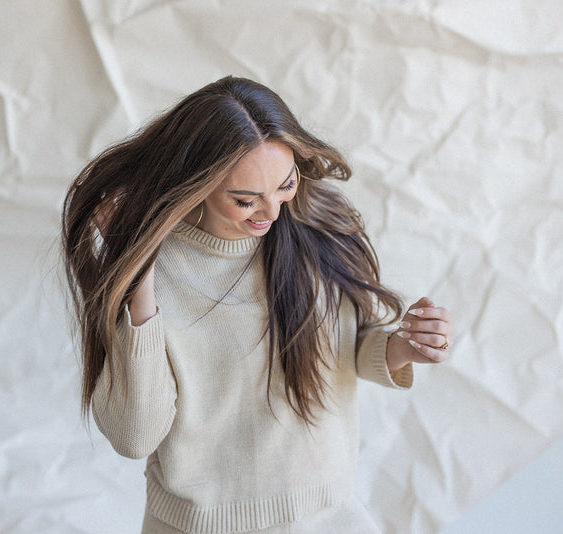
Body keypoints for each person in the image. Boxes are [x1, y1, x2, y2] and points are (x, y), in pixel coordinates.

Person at [62, 76, 454, 534]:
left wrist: (404, 347)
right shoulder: (153, 274)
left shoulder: (313, 228)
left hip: (328, 517)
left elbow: (343, 348)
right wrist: (137, 268)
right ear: (195, 186)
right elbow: (135, 435)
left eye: (285, 185)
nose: (271, 211)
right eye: (246, 199)